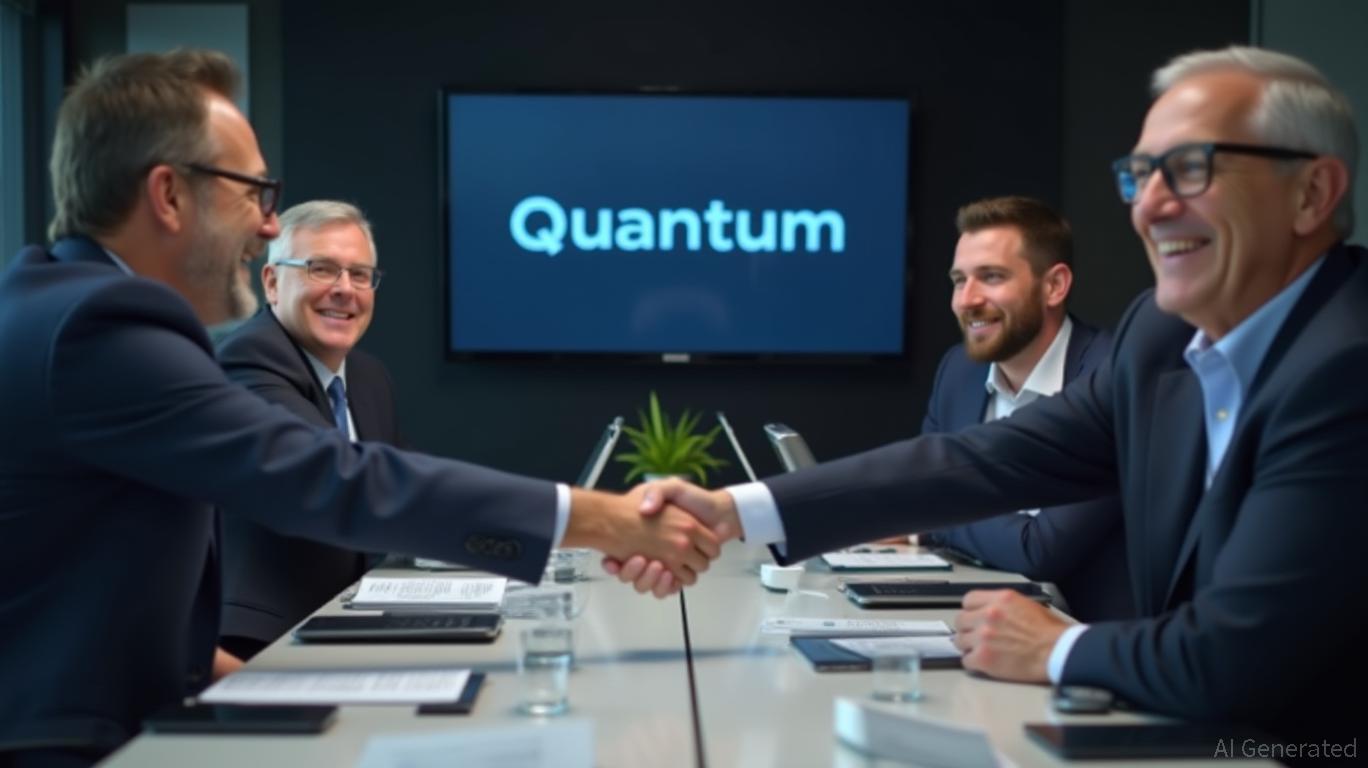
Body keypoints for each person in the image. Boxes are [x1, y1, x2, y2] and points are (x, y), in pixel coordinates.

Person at [620, 46, 1364, 741]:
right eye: (1140, 175)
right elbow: (988, 459)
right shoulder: (1160, 338)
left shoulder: (1346, 367)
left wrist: (1057, 648)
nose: (1150, 205)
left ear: (1312, 193)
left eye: (1191, 169)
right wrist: (735, 511)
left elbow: (1236, 660)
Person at [0, 50, 715, 767]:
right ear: (168, 195)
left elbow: (95, 585)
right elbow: (329, 477)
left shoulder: (66, 305)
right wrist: (604, 519)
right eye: (253, 192)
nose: (268, 226)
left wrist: (255, 685)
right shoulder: (103, 328)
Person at [917, 196, 1132, 622]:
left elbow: (1039, 550)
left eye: (991, 277)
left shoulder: (1113, 377)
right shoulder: (958, 371)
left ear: (1054, 286)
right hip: (967, 618)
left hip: (1087, 639)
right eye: (959, 281)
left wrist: (938, 513)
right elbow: (923, 493)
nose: (967, 299)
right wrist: (931, 508)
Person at [215, 200, 400, 659]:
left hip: (350, 622)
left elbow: (404, 485)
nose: (345, 290)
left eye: (360, 275)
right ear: (272, 282)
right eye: (322, 269)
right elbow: (351, 479)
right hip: (262, 642)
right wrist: (541, 519)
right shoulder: (248, 359)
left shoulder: (368, 375)